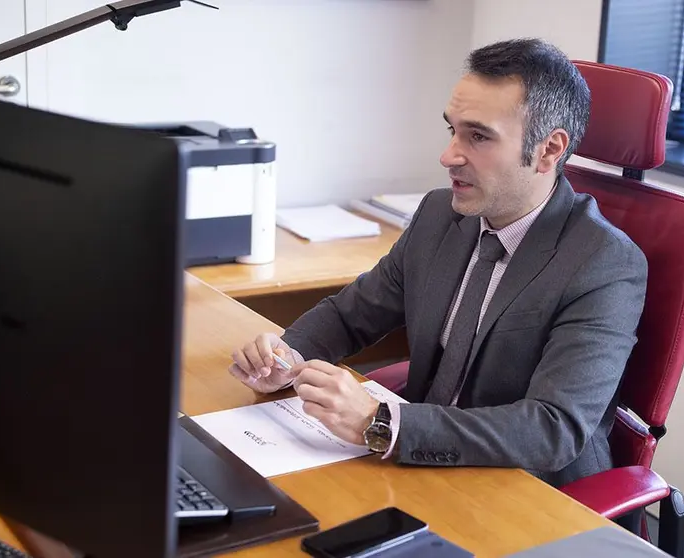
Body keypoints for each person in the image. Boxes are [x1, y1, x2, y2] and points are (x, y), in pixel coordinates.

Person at [229, 38, 647, 487]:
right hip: (424, 463)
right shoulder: (439, 214)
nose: (449, 155)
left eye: (479, 136)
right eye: (453, 130)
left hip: (526, 488)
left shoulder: (604, 263)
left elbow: (552, 430)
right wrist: (286, 356)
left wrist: (383, 421)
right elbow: (354, 314)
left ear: (548, 150)